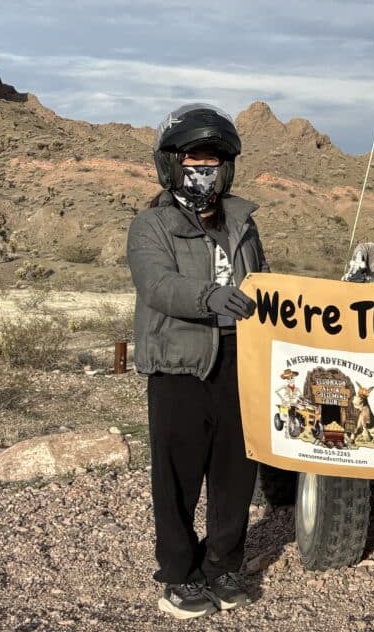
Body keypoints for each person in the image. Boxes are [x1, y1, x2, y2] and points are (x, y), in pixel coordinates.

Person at [127, 103, 269, 619]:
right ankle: (178, 574)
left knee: (236, 473)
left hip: (239, 362)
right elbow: (157, 284)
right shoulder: (151, 226)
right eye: (193, 159)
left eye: (212, 160)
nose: (203, 170)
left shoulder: (244, 226)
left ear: (226, 167)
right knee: (178, 476)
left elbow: (267, 283)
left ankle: (224, 566)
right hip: (179, 365)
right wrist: (210, 297)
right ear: (171, 164)